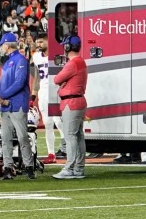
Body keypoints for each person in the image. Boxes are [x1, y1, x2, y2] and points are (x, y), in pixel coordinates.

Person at [0, 33, 35, 180]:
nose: (1, 47)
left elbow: (19, 82)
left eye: (2, 45)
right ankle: (8, 167)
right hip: (7, 105)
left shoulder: (20, 60)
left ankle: (29, 166)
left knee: (22, 136)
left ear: (8, 45)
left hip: (16, 103)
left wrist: (3, 95)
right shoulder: (11, 61)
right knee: (6, 137)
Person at [53, 35, 88, 180]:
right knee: (78, 136)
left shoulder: (72, 64)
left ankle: (70, 167)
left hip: (71, 103)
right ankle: (79, 167)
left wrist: (63, 85)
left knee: (70, 136)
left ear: (67, 47)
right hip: (78, 102)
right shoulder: (81, 62)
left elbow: (57, 79)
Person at [32, 38, 61, 163]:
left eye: (41, 42)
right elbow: (37, 76)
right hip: (43, 92)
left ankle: (69, 149)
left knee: (59, 121)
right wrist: (33, 95)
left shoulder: (57, 55)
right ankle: (51, 154)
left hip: (56, 91)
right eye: (37, 42)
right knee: (48, 123)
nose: (38, 44)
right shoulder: (36, 56)